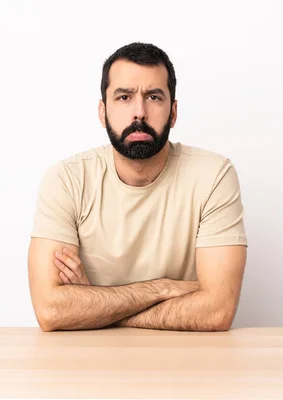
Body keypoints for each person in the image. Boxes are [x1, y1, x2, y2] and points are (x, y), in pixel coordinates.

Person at [27, 42, 248, 332]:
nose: (139, 113)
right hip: (89, 363)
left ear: (173, 112)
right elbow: (51, 310)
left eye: (154, 97)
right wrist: (161, 288)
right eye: (124, 97)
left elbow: (217, 311)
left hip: (188, 363)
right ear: (102, 111)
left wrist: (95, 308)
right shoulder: (67, 180)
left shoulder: (214, 176)